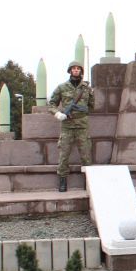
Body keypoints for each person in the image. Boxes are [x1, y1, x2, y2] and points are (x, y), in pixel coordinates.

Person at [48, 61, 93, 192]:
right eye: (73, 68)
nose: (76, 70)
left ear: (81, 71)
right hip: (67, 126)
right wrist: (57, 114)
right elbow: (51, 104)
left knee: (86, 155)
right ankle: (62, 181)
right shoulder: (62, 87)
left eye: (78, 68)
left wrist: (82, 113)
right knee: (64, 155)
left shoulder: (87, 89)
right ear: (70, 71)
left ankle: (88, 182)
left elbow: (91, 106)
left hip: (82, 126)